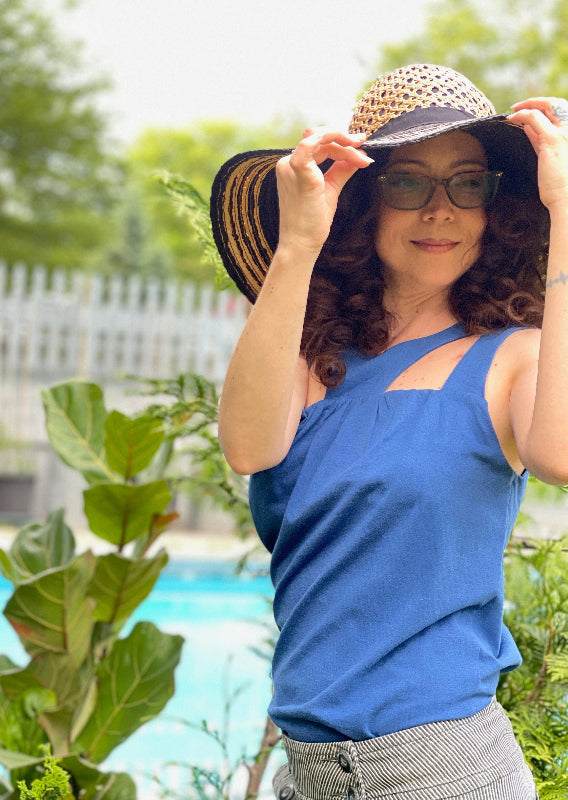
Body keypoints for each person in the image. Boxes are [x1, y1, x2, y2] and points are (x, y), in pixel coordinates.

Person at [210, 63, 568, 800]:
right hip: (309, 776)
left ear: (496, 208)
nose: (441, 211)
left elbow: (560, 454)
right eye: (408, 183)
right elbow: (248, 448)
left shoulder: (513, 356)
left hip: (445, 772)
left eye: (468, 183)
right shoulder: (314, 353)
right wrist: (298, 244)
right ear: (364, 203)